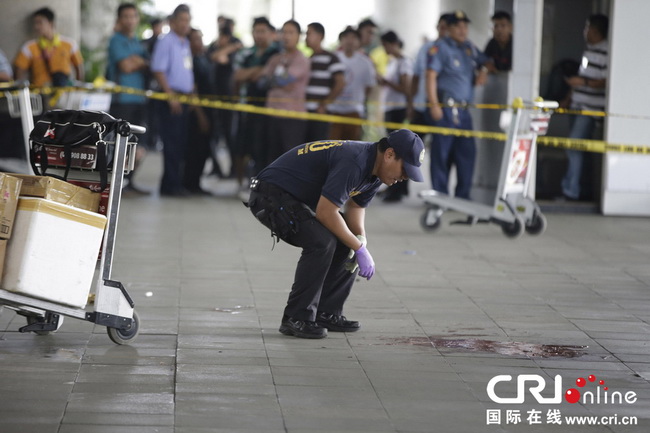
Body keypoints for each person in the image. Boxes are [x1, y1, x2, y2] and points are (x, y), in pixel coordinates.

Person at [247, 129, 425, 339]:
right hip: (269, 196)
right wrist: (359, 248)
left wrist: (360, 241)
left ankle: (326, 313)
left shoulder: (376, 172)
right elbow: (326, 212)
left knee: (346, 241)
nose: (404, 178)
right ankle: (296, 318)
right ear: (389, 154)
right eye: (405, 170)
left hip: (294, 199)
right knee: (322, 242)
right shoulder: (355, 162)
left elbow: (356, 207)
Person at [425, 10, 488, 200]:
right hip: (445, 108)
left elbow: (486, 61)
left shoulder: (469, 48)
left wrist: (483, 70)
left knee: (467, 153)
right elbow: (430, 76)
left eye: (465, 27)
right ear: (449, 29)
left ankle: (462, 198)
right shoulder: (440, 48)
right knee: (441, 154)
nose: (463, 30)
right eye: (458, 27)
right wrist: (434, 105)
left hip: (464, 111)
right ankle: (440, 197)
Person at [561, 14, 609, 201]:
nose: (584, 32)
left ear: (595, 30)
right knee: (579, 149)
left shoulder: (607, 52)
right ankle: (582, 189)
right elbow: (582, 76)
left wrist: (584, 82)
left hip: (590, 109)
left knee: (573, 147)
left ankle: (570, 191)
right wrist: (569, 97)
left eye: (587, 27)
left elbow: (604, 81)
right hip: (577, 105)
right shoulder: (589, 50)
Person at [233, 17, 280, 197]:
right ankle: (241, 184)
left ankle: (259, 187)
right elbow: (238, 76)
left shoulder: (277, 53)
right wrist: (258, 71)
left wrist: (254, 72)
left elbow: (270, 72)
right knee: (241, 147)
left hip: (270, 108)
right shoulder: (245, 54)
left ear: (271, 33)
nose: (259, 35)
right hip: (246, 107)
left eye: (263, 31)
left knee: (262, 149)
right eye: (256, 31)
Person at [151, 4, 194, 197]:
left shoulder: (184, 42)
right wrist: (171, 96)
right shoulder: (166, 41)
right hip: (171, 97)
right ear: (173, 21)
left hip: (184, 97)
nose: (185, 24)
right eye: (182, 20)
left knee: (180, 142)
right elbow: (159, 69)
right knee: (172, 142)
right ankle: (170, 186)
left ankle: (174, 182)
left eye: (188, 20)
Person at [106, 2, 150, 195]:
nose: (130, 20)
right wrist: (138, 61)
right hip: (122, 100)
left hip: (139, 99)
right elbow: (125, 66)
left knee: (137, 144)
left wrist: (138, 61)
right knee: (120, 144)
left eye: (133, 16)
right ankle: (116, 182)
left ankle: (128, 181)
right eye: (126, 16)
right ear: (119, 19)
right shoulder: (116, 40)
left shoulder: (137, 42)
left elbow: (147, 64)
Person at [261, 20, 310, 164]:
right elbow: (262, 83)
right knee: (273, 157)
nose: (286, 36)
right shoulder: (275, 59)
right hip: (272, 114)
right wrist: (277, 81)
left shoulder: (301, 60)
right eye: (284, 32)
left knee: (291, 158)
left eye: (291, 32)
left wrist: (274, 81)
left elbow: (282, 80)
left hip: (292, 117)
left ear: (298, 36)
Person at [379, 31, 413, 203]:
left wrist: (387, 83)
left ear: (392, 44)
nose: (384, 48)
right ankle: (393, 186)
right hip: (390, 107)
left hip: (398, 109)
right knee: (392, 149)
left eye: (385, 45)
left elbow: (406, 89)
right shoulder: (393, 62)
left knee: (397, 152)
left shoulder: (404, 63)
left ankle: (398, 188)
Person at [14, 7, 83, 87]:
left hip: (63, 93)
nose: (36, 27)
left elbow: (79, 67)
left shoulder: (69, 44)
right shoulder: (29, 47)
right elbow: (19, 71)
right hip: (39, 93)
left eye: (40, 23)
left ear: (51, 23)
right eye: (35, 23)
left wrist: (78, 88)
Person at [207, 21, 242, 177]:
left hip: (228, 102)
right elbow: (213, 55)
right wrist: (232, 46)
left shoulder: (232, 53)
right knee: (214, 137)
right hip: (216, 101)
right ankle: (217, 168)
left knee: (230, 138)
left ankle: (234, 169)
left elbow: (219, 57)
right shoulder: (222, 48)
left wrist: (231, 48)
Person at [328, 27, 376, 141]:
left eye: (353, 37)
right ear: (341, 40)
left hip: (354, 111)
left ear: (359, 42)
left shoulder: (365, 62)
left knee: (352, 146)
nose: (349, 41)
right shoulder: (333, 58)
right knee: (331, 145)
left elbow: (369, 86)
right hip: (333, 110)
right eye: (346, 37)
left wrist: (360, 101)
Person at [183, 28, 214, 195]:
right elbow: (192, 90)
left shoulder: (203, 59)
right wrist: (201, 115)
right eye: (195, 39)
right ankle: (190, 183)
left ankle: (196, 182)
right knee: (195, 149)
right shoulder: (190, 62)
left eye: (201, 38)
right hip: (197, 113)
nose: (199, 42)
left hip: (209, 109)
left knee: (204, 149)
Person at [304, 22, 345, 142]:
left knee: (317, 148)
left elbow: (340, 83)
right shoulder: (309, 59)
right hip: (306, 112)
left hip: (321, 113)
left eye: (309, 34)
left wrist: (324, 105)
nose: (306, 38)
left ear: (320, 36)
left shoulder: (331, 58)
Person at [410, 13, 452, 132]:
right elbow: (416, 76)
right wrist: (411, 103)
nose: (444, 31)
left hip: (443, 106)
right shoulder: (425, 48)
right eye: (442, 27)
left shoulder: (455, 51)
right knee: (414, 144)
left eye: (447, 27)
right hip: (421, 104)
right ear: (437, 27)